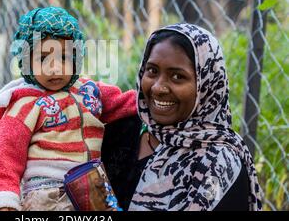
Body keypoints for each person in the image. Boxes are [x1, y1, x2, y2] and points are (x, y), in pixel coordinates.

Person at [0, 7, 136, 211]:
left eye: (64, 57)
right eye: (43, 58)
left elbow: (127, 103)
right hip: (47, 197)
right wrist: (4, 203)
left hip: (94, 190)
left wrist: (151, 101)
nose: (55, 68)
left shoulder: (89, 91)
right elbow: (5, 157)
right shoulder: (24, 104)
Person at [101, 23, 263, 211]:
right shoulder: (122, 129)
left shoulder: (218, 164)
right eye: (152, 71)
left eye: (177, 76)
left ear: (206, 86)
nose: (158, 88)